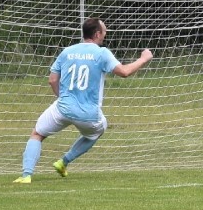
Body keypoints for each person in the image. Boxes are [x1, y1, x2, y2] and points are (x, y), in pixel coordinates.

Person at [14, 17, 152, 183]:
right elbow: (124, 72)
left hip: (62, 109)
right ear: (97, 34)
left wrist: (63, 98)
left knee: (37, 134)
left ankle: (26, 175)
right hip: (88, 114)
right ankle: (63, 162)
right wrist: (143, 59)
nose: (106, 34)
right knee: (97, 131)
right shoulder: (102, 53)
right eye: (104, 31)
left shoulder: (67, 51)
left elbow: (52, 80)